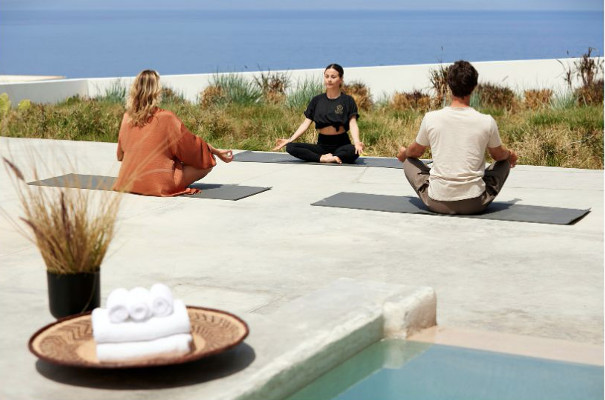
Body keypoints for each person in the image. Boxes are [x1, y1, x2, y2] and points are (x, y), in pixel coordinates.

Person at [397, 60, 518, 215]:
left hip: (437, 202)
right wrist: (510, 155)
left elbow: (415, 152)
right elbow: (498, 155)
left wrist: (403, 153)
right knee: (504, 163)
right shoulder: (486, 121)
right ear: (474, 87)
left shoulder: (431, 118)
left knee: (408, 161)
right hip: (475, 203)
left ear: (449, 85)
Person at [113, 70, 233, 196]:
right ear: (157, 91)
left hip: (126, 182)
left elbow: (120, 156)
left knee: (181, 155)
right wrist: (215, 153)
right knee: (207, 162)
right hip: (158, 185)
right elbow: (192, 147)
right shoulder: (166, 118)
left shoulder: (127, 117)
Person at [273, 63, 364, 164]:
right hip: (322, 145)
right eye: (326, 76)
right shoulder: (317, 100)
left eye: (333, 77)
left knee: (354, 151)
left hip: (341, 143)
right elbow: (306, 123)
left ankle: (332, 157)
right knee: (291, 147)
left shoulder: (347, 100)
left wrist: (357, 142)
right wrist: (290, 139)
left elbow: (353, 123)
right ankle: (323, 158)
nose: (329, 79)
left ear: (341, 79)